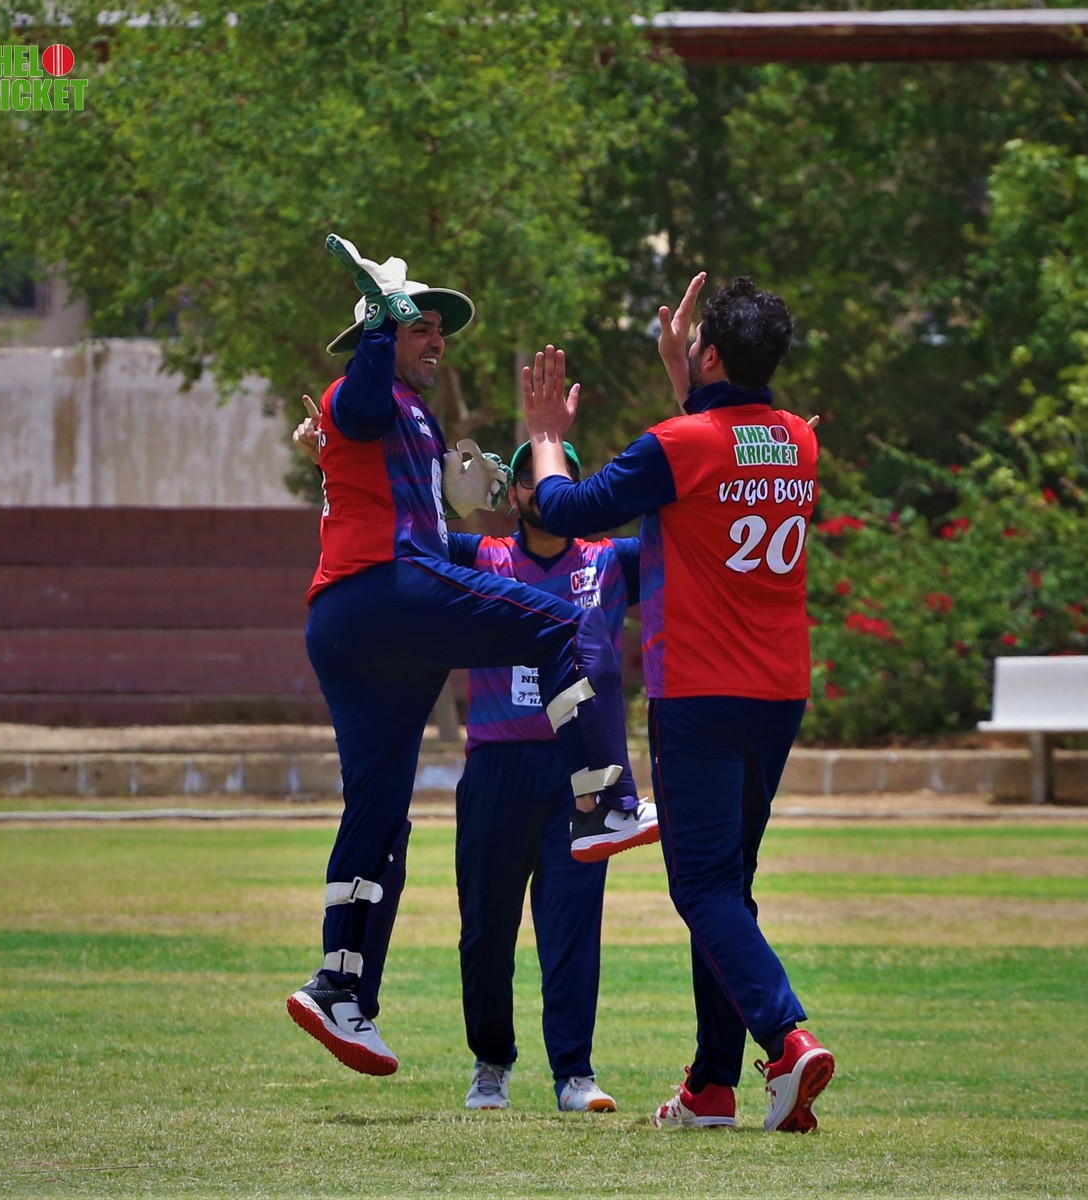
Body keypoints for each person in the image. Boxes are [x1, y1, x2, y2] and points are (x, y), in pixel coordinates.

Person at [286, 235, 657, 1083]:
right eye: (419, 326)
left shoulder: (404, 416)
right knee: (568, 628)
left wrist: (349, 456)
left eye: (436, 329)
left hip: (349, 624)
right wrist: (378, 327)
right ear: (382, 330)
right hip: (385, 594)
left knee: (379, 814)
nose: (436, 338)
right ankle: (603, 802)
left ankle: (340, 985)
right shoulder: (363, 388)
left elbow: (367, 463)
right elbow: (358, 406)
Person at [519, 273, 835, 1133]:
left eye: (696, 344)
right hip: (777, 692)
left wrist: (545, 437)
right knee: (727, 888)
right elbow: (724, 450)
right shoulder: (798, 441)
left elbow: (566, 509)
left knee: (701, 888)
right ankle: (711, 1088)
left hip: (700, 691)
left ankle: (787, 1039)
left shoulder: (681, 440)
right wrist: (688, 379)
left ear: (713, 355)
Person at [445, 440, 639, 1114]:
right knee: (484, 928)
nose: (536, 487)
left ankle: (574, 1074)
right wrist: (446, 503)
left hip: (578, 772)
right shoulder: (480, 556)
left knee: (572, 927)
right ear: (513, 491)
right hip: (495, 766)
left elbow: (692, 538)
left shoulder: (610, 562)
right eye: (524, 478)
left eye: (551, 478)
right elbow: (398, 546)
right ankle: (490, 1064)